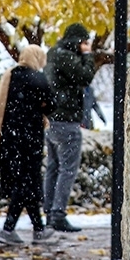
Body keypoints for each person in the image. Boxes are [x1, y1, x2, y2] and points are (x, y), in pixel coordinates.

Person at [0, 45, 57, 246]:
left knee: (26, 183)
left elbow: (3, 104)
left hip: (10, 137)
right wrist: (40, 105)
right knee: (26, 183)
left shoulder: (10, 75)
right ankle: (8, 229)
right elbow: (52, 105)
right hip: (30, 139)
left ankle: (38, 229)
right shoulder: (38, 78)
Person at [42, 23, 96, 233]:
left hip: (53, 119)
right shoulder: (65, 57)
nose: (86, 46)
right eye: (83, 42)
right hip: (66, 120)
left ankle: (49, 212)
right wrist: (88, 55)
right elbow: (85, 76)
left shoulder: (54, 53)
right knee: (67, 169)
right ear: (76, 41)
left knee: (54, 168)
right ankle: (58, 214)